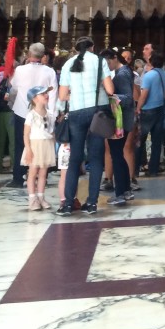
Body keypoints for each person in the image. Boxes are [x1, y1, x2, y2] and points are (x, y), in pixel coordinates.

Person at [56, 36, 115, 215]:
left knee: (75, 159)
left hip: (76, 112)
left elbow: (62, 95)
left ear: (76, 48)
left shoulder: (68, 64)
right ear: (92, 47)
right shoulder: (99, 61)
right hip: (97, 111)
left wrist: (75, 96)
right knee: (96, 158)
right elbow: (110, 89)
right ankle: (91, 203)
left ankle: (67, 204)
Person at [8, 42, 58, 191]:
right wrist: (52, 115)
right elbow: (53, 94)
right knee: (42, 143)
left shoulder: (20, 70)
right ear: (43, 56)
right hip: (41, 113)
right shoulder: (49, 72)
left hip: (22, 111)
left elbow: (14, 88)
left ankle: (18, 177)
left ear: (29, 55)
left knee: (20, 144)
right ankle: (41, 176)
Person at [100, 49, 135, 207]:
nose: (107, 66)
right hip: (124, 120)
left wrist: (110, 96)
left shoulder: (121, 74)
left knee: (116, 155)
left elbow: (128, 99)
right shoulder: (124, 71)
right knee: (118, 154)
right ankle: (126, 189)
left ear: (115, 58)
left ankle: (120, 193)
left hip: (120, 121)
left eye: (108, 63)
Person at [22, 84, 56, 211]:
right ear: (34, 98)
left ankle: (41, 197)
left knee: (43, 173)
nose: (46, 95)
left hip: (47, 144)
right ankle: (32, 198)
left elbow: (52, 131)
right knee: (32, 173)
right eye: (43, 94)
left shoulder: (50, 114)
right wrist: (28, 149)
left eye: (46, 93)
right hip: (35, 145)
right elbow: (26, 134)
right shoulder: (31, 114)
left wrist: (54, 143)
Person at [137, 52, 165, 176]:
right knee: (157, 141)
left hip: (148, 109)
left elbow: (144, 94)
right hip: (160, 108)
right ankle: (153, 169)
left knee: (140, 140)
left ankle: (136, 167)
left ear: (151, 62)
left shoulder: (149, 75)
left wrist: (138, 107)